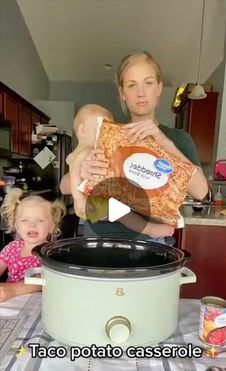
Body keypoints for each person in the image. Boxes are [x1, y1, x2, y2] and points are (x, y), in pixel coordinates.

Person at [61, 51, 208, 240]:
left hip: (151, 244)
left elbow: (201, 192)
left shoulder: (177, 139)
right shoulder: (108, 134)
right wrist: (82, 169)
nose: (141, 93)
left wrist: (164, 142)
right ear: (122, 93)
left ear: (159, 87)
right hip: (100, 238)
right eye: (132, 85)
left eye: (148, 83)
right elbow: (65, 186)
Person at [0, 188, 65, 302]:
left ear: (52, 226)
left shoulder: (52, 253)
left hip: (39, 305)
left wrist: (13, 290)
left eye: (40, 220)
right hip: (10, 303)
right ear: (16, 226)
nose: (32, 225)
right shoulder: (12, 248)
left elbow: (45, 281)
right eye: (25, 220)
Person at [60, 104, 114, 222]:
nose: (106, 137)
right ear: (82, 131)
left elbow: (69, 160)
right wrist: (79, 199)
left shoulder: (85, 151)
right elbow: (74, 173)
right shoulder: (86, 151)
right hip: (86, 204)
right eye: (101, 131)